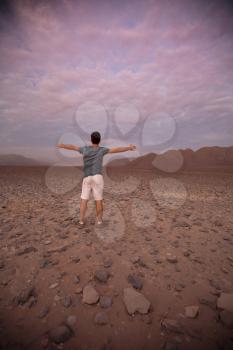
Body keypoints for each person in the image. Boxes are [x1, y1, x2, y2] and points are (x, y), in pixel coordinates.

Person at [57, 131, 136, 227]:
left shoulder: (84, 149)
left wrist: (63, 145)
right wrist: (129, 148)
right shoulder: (102, 150)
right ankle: (99, 222)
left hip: (87, 177)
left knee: (84, 200)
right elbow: (117, 149)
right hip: (97, 177)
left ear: (91, 139)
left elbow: (73, 147)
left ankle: (81, 221)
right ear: (99, 140)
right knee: (98, 200)